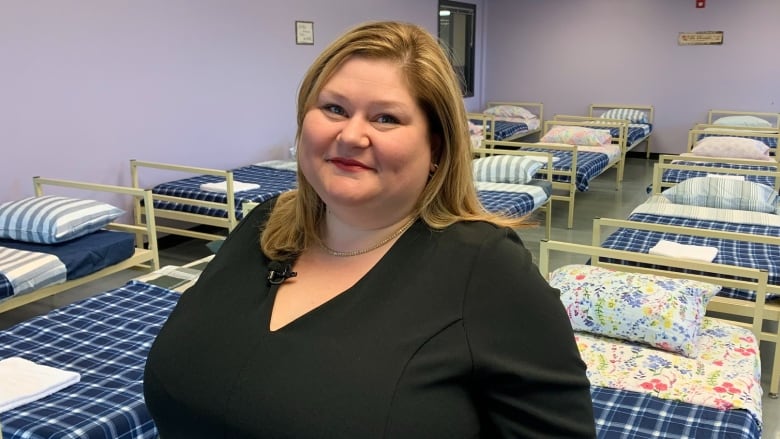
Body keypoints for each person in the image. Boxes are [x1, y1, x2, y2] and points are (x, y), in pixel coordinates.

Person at [144, 20, 595, 438]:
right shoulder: (262, 225)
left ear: (436, 146)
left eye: (386, 118)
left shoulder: (488, 271)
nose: (351, 136)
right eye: (334, 108)